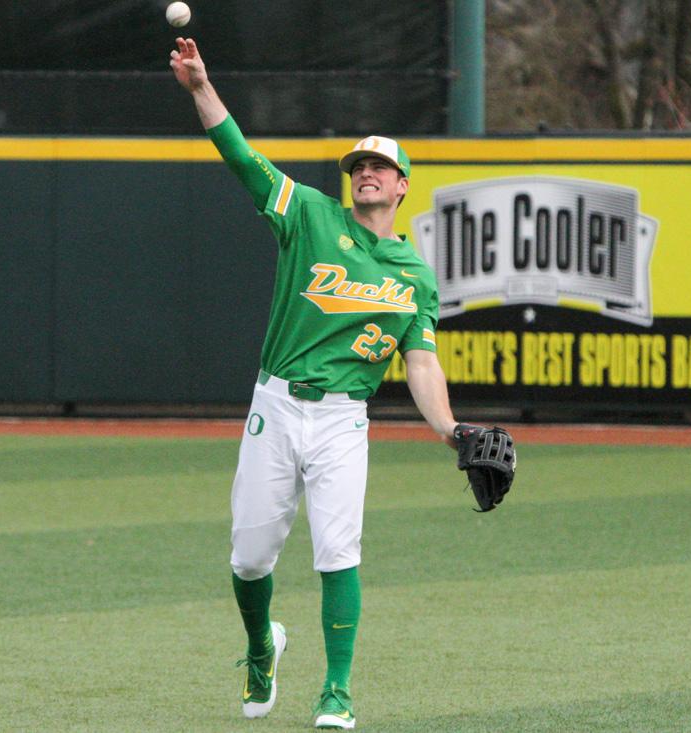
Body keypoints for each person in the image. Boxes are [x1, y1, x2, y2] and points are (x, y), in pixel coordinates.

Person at [170, 36, 459, 730]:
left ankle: (336, 690)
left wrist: (451, 429)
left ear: (401, 185)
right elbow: (241, 159)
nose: (367, 173)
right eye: (359, 164)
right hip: (276, 403)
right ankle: (262, 643)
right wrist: (200, 86)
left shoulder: (414, 277)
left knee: (339, 550)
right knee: (248, 558)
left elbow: (421, 362)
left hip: (342, 420)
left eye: (380, 167)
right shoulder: (308, 215)